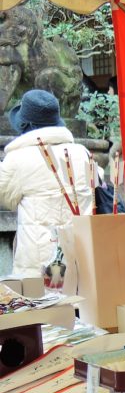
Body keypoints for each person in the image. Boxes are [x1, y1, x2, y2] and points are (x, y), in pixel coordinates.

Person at [0, 89, 95, 275]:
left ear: (25, 124)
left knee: (42, 303)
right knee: (80, 302)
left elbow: (5, 198)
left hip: (38, 265)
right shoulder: (83, 153)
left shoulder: (18, 158)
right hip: (81, 257)